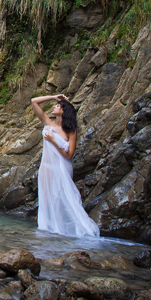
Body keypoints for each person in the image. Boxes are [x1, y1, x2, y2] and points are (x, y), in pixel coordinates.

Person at [30, 94, 99, 237]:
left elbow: (69, 155)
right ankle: (49, 229)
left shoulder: (71, 130)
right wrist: (54, 97)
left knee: (64, 198)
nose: (54, 107)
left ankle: (67, 230)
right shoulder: (49, 123)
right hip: (47, 167)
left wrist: (53, 140)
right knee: (47, 199)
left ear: (63, 110)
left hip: (62, 168)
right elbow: (34, 101)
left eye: (57, 106)